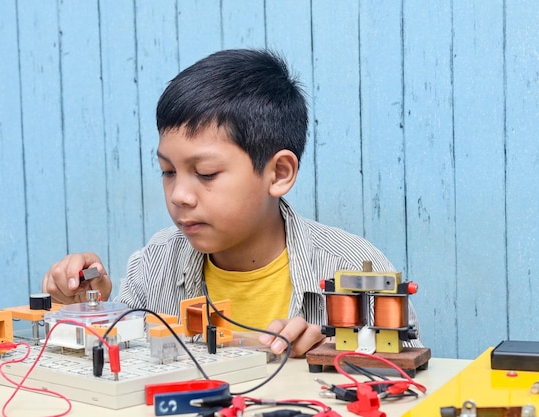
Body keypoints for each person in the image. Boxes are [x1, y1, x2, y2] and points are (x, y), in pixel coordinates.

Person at [42, 48, 419, 357]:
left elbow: (409, 378)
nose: (179, 195)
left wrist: (339, 355)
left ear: (279, 173)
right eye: (168, 171)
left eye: (205, 173)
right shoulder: (153, 266)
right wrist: (90, 306)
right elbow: (115, 365)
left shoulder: (350, 266)